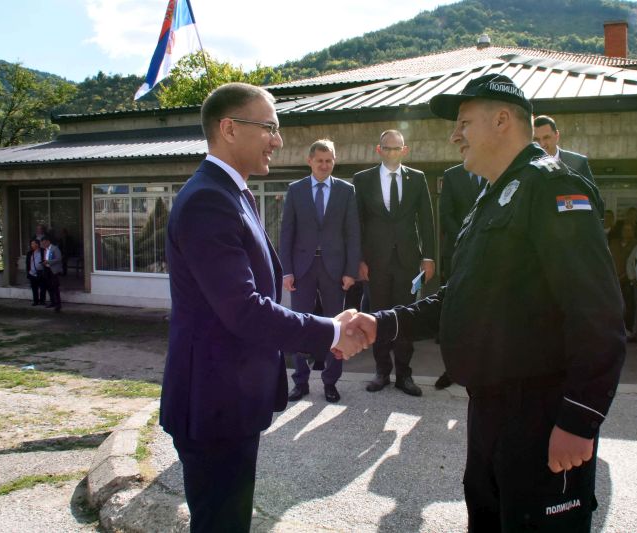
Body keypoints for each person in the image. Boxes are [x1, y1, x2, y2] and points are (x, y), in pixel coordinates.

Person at [354, 73, 625, 531]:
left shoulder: (554, 188)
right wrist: (380, 323)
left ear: (502, 120)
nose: (454, 135)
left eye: (464, 122)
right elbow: (457, 297)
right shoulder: (489, 199)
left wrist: (580, 420)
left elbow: (597, 313)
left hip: (539, 412)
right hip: (490, 409)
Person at [159, 82, 370, 532]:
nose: (278, 140)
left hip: (229, 397)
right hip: (213, 403)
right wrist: (331, 331)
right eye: (269, 128)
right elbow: (245, 310)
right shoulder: (208, 201)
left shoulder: (232, 192)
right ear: (230, 129)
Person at [353, 129, 436, 396]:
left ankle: (404, 374)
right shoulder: (362, 180)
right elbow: (357, 223)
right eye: (386, 148)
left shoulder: (417, 178)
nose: (391, 153)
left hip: (408, 261)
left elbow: (426, 219)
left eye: (396, 148)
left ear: (405, 150)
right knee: (378, 316)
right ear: (379, 150)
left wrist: (429, 256)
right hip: (375, 263)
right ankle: (381, 372)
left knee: (406, 317)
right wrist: (359, 259)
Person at [280, 139, 361, 403]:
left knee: (336, 326)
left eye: (329, 160)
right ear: (310, 161)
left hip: (334, 270)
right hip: (302, 269)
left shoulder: (346, 191)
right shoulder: (296, 190)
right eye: (320, 160)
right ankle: (300, 382)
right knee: (299, 325)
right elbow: (287, 233)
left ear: (334, 161)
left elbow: (352, 233)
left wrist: (351, 271)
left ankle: (330, 381)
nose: (324, 165)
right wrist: (287, 271)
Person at [434, 163, 486, 390]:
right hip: (457, 250)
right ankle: (453, 369)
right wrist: (466, 238)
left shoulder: (494, 170)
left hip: (487, 250)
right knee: (455, 310)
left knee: (482, 311)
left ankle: (481, 367)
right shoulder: (452, 175)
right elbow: (446, 214)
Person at [533, 115, 595, 183]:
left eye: (546, 137)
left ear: (557, 135)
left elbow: (591, 193)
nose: (542, 144)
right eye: (536, 139)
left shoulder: (579, 162)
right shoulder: (527, 166)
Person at [41, 236, 62, 312]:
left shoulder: (55, 249)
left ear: (48, 242)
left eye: (44, 243)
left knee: (55, 287)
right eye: (42, 244)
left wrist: (49, 262)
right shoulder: (45, 250)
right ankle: (52, 302)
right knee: (49, 287)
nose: (43, 245)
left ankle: (58, 304)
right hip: (47, 269)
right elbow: (45, 258)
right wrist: (44, 263)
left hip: (53, 270)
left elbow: (59, 258)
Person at [25, 239, 46, 306]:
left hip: (41, 273)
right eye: (31, 244)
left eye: (33, 244)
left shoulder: (43, 251)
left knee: (42, 288)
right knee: (34, 288)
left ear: (37, 244)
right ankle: (35, 301)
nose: (31, 245)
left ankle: (42, 301)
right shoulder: (30, 253)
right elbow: (27, 264)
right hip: (32, 273)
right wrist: (28, 272)